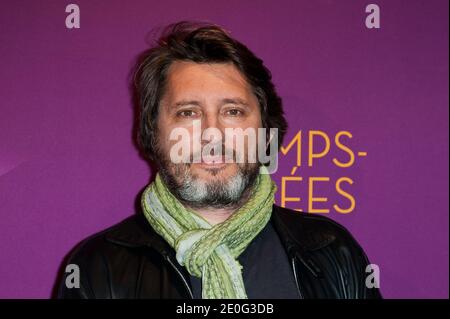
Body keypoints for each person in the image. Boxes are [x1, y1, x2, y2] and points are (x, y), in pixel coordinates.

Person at [57, 21, 381, 299]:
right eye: (188, 112)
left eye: (233, 112)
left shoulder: (331, 251)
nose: (212, 134)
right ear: (154, 134)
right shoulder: (96, 269)